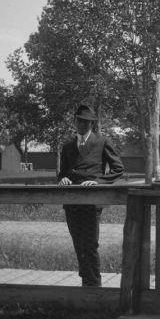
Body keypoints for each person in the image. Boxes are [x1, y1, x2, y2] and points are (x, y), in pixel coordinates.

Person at [58, 104, 124, 286]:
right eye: (80, 121)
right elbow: (62, 172)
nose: (82, 125)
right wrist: (63, 179)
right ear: (74, 121)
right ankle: (86, 280)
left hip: (91, 201)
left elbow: (118, 169)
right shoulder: (67, 146)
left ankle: (94, 284)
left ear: (92, 124)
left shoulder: (102, 142)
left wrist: (99, 182)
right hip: (71, 201)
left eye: (87, 122)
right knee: (78, 243)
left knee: (90, 244)